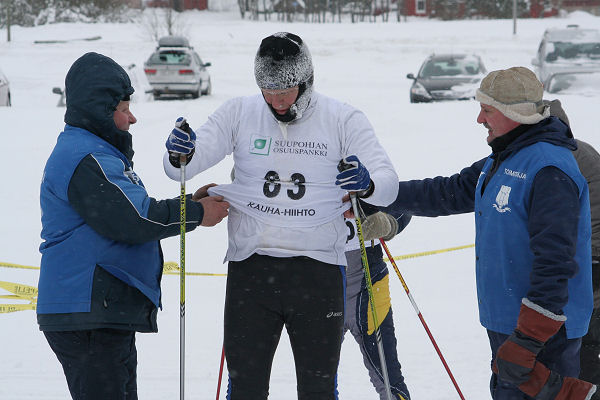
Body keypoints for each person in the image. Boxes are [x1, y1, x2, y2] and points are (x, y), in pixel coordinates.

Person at [163, 32, 399, 399]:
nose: (276, 101)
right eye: (267, 91)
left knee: (318, 389)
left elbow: (388, 183)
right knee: (246, 388)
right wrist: (182, 152)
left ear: (306, 81)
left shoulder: (341, 118)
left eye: (285, 91)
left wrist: (367, 184)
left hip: (318, 270)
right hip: (252, 271)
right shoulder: (239, 112)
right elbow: (180, 165)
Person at [373, 67, 597, 399]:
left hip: (543, 336)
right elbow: (450, 191)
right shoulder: (506, 157)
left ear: (515, 114)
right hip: (510, 325)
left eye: (487, 109)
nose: (480, 118)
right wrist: (379, 194)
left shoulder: (549, 169)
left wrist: (528, 339)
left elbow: (556, 264)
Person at [37, 52, 229, 400]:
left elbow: (130, 210)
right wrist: (196, 214)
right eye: (124, 108)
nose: (133, 117)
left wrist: (193, 203)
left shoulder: (97, 153)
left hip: (103, 314)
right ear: (101, 109)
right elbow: (133, 220)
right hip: (88, 314)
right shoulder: (84, 157)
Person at [545, 99, 600, 387]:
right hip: (582, 269)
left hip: (586, 273)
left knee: (583, 360)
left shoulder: (567, 159)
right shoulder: (577, 152)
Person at [343, 209, 412, 400]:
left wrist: (389, 222)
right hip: (318, 288)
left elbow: (404, 201)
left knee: (389, 380)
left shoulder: (368, 177)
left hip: (368, 286)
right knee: (316, 383)